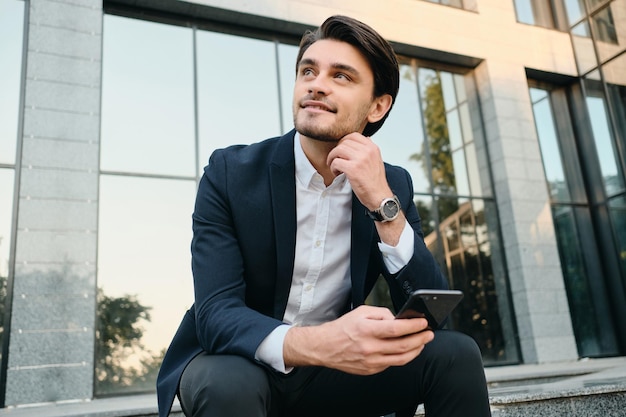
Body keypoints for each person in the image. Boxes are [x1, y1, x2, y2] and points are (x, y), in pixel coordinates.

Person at [157, 14, 491, 417]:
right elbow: (216, 313)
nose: (316, 83)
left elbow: (430, 309)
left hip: (331, 373)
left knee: (456, 354)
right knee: (230, 385)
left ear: (377, 106)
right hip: (235, 360)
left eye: (341, 76)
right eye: (308, 71)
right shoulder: (230, 173)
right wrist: (323, 343)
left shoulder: (392, 185)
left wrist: (383, 204)